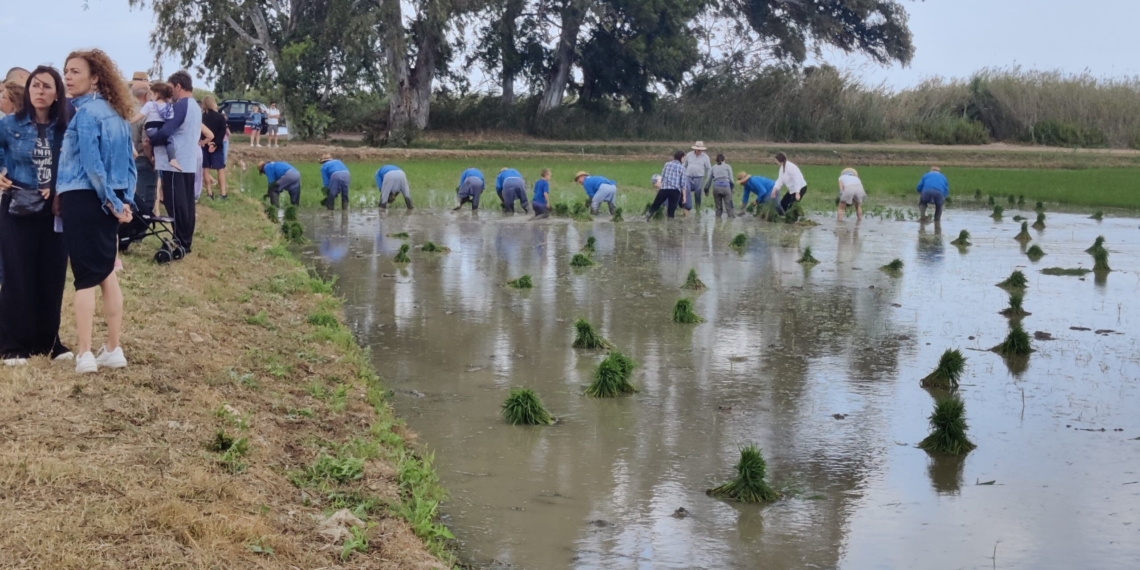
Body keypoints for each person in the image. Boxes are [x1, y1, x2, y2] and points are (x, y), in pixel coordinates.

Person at [57, 50, 137, 374]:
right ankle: (114, 349)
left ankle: (85, 353)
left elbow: (92, 166)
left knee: (85, 278)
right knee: (106, 272)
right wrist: (125, 202)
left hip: (85, 197)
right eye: (66, 71)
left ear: (95, 78)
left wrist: (112, 203)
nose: (68, 76)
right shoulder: (118, 114)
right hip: (110, 201)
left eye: (75, 71)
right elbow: (130, 166)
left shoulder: (86, 114)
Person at [0, 66, 72, 365]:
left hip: (54, 209)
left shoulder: (66, 127)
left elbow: (72, 162)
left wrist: (57, 186)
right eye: (34, 86)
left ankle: (49, 341)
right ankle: (12, 343)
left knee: (52, 274)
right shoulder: (9, 124)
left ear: (57, 94)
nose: (39, 92)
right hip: (18, 205)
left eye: (46, 87)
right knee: (18, 274)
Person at [148, 70, 202, 255]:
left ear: (178, 86)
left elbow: (166, 130)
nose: (170, 92)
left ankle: (180, 241)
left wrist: (152, 140)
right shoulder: (195, 106)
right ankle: (186, 240)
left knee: (175, 203)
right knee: (187, 203)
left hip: (174, 162)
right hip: (188, 161)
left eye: (171, 88)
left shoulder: (181, 105)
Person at [130, 82, 181, 171]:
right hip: (159, 128)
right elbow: (170, 120)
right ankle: (172, 159)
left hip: (150, 128)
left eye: (152, 94)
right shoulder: (168, 106)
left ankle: (155, 156)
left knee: (153, 140)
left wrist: (128, 121)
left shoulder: (149, 105)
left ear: (156, 94)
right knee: (169, 141)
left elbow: (139, 116)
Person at [128, 72, 157, 218]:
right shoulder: (147, 114)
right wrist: (152, 160)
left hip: (126, 160)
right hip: (142, 160)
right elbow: (147, 143)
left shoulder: (124, 111)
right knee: (144, 199)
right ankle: (138, 231)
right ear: (147, 95)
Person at [200, 96, 227, 199]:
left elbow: (200, 132)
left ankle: (209, 193)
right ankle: (223, 194)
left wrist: (206, 142)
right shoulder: (220, 117)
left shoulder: (201, 117)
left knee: (205, 169)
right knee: (220, 169)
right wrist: (215, 143)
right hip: (217, 146)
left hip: (204, 145)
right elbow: (222, 132)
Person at [645, 152, 685, 220]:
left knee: (655, 205)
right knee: (671, 210)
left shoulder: (667, 164)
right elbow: (683, 184)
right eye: (684, 158)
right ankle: (670, 226)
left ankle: (646, 218)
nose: (684, 160)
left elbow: (662, 177)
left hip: (664, 189)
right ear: (681, 158)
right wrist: (684, 196)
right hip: (675, 191)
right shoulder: (682, 168)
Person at [682, 141, 711, 214]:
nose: (699, 151)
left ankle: (697, 209)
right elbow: (684, 165)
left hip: (699, 177)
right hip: (688, 176)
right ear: (695, 149)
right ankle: (686, 208)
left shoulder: (705, 157)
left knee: (698, 193)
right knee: (686, 191)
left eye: (701, 150)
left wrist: (708, 178)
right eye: (698, 150)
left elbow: (708, 168)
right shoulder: (689, 155)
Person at [706, 153, 735, 219]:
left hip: (716, 188)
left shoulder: (713, 167)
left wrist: (706, 189)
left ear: (716, 160)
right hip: (726, 188)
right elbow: (731, 180)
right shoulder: (727, 166)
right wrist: (732, 188)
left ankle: (717, 222)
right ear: (724, 160)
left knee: (718, 208)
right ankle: (731, 220)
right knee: (729, 207)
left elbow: (708, 180)